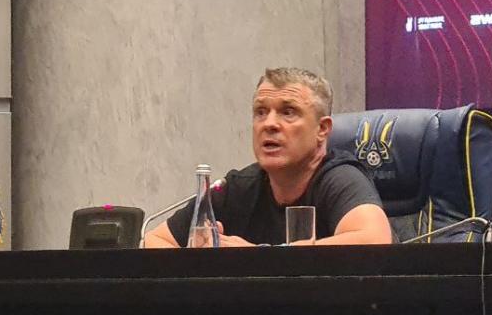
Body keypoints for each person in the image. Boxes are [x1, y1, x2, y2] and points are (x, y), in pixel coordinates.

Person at [144, 68, 392, 247]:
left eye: (288, 112)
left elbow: (374, 240)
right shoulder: (238, 187)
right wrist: (197, 262)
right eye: (261, 112)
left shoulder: (340, 178)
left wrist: (260, 258)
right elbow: (154, 240)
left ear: (322, 129)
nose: (269, 124)